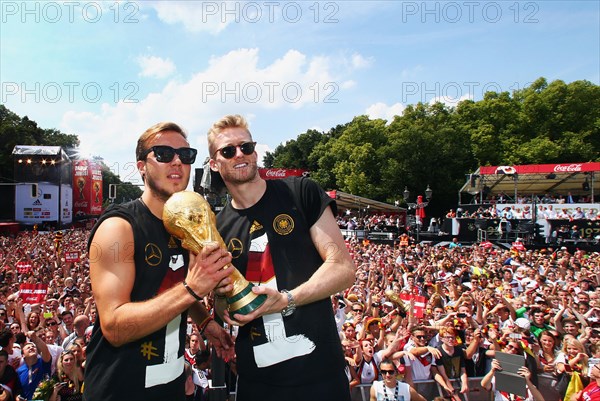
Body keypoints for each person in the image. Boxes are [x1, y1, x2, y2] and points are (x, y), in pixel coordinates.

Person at [208, 115, 356, 401]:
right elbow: (222, 301)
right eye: (228, 151)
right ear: (214, 163)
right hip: (257, 380)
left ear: (255, 152)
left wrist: (287, 299)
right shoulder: (218, 227)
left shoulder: (301, 191)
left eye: (246, 147)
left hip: (320, 373)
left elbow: (343, 268)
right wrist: (223, 302)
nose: (240, 154)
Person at [83, 122, 234, 401]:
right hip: (119, 389)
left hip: (170, 388)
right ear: (142, 166)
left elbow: (169, 291)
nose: (177, 161)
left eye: (186, 155)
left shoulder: (183, 226)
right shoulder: (119, 227)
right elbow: (114, 326)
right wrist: (192, 289)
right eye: (164, 154)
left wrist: (204, 322)